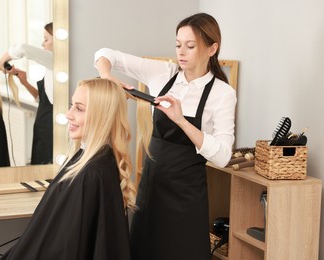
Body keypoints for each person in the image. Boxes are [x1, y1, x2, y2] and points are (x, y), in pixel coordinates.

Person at [94, 13, 237, 260]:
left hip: (187, 196)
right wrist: (107, 77)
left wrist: (181, 120)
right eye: (178, 44)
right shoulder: (162, 73)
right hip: (152, 188)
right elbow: (105, 54)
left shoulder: (223, 94)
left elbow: (223, 156)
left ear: (212, 48)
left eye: (190, 46)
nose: (181, 52)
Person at [0, 78, 136, 260]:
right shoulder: (88, 159)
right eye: (72, 105)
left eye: (79, 108)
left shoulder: (92, 172)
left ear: (102, 116)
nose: (68, 114)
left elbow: (67, 245)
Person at [0, 22, 54, 165]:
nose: (43, 44)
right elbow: (42, 98)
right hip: (42, 125)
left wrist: (3, 60)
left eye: (46, 39)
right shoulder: (50, 68)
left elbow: (21, 48)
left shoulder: (56, 61)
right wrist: (24, 81)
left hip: (51, 129)